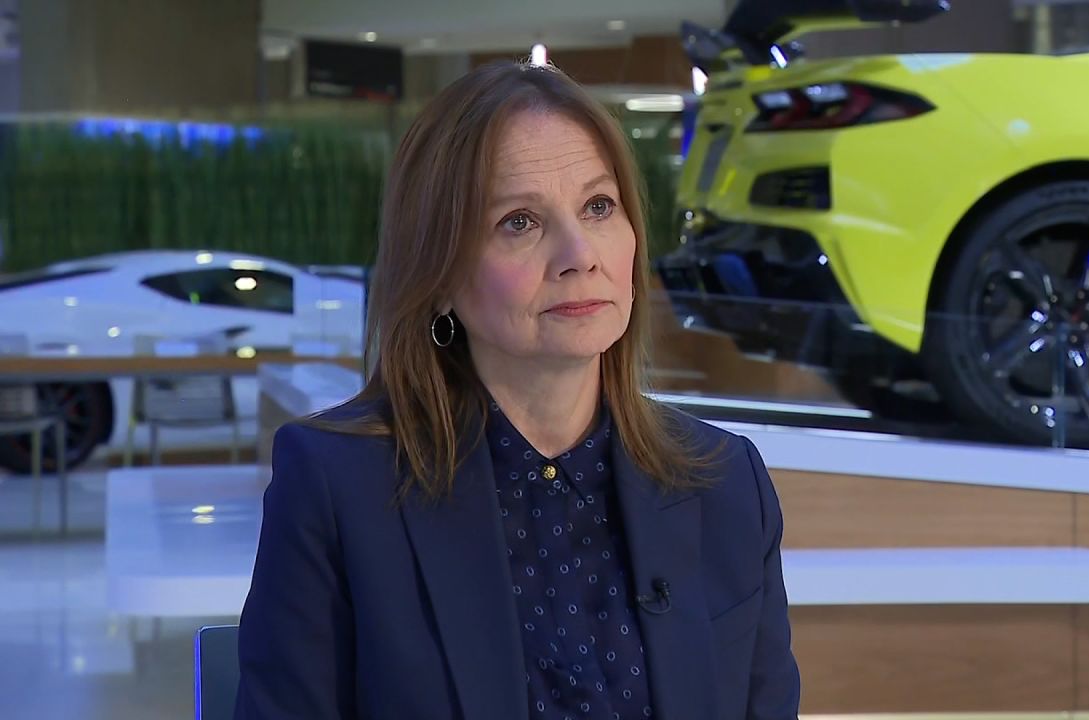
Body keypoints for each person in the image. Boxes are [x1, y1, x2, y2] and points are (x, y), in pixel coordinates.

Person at [234, 60, 801, 720]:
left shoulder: (727, 483)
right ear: (438, 271)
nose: (579, 254)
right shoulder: (335, 488)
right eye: (520, 222)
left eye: (598, 207)